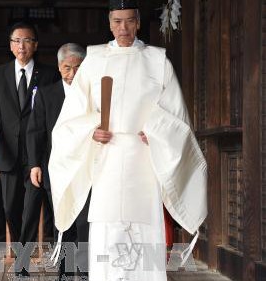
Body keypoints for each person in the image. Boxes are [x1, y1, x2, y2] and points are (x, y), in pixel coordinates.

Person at [48, 0, 208, 280]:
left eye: (129, 21)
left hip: (143, 157)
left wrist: (157, 129)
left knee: (144, 228)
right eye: (117, 21)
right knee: (107, 228)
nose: (123, 28)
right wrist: (91, 130)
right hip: (106, 157)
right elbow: (72, 117)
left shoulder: (158, 61)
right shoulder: (94, 60)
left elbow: (176, 116)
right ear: (109, 23)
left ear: (138, 22)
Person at [0, 21, 60, 276]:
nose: (22, 45)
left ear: (35, 45)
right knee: (10, 208)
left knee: (30, 209)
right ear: (10, 45)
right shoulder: (0, 74)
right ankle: (20, 250)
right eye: (17, 40)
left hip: (37, 153)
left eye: (27, 40)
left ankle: (23, 261)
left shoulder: (48, 75)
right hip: (8, 151)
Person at [26, 43, 88, 278]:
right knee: (63, 220)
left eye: (78, 68)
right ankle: (65, 269)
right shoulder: (46, 93)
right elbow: (35, 132)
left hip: (86, 167)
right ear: (59, 67)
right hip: (57, 169)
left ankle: (84, 270)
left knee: (84, 220)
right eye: (67, 68)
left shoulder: (94, 93)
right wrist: (34, 165)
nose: (72, 74)